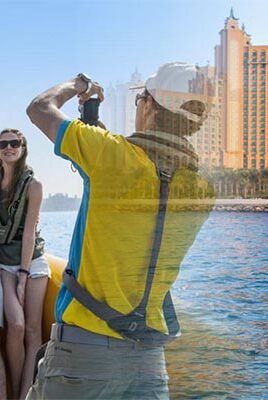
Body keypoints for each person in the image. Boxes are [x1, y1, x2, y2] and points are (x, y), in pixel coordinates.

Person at [25, 64, 215, 399]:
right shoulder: (201, 190)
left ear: (149, 107)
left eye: (141, 98)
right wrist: (93, 122)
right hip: (149, 365)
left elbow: (39, 108)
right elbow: (138, 168)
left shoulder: (111, 158)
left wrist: (77, 84)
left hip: (82, 358)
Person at [0, 128, 46, 399]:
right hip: (4, 263)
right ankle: (15, 391)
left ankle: (26, 394)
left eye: (14, 143)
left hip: (32, 261)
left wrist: (24, 275)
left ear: (22, 147)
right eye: (3, 144)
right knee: (15, 327)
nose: (8, 148)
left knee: (32, 330)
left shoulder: (34, 185)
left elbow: (29, 233)